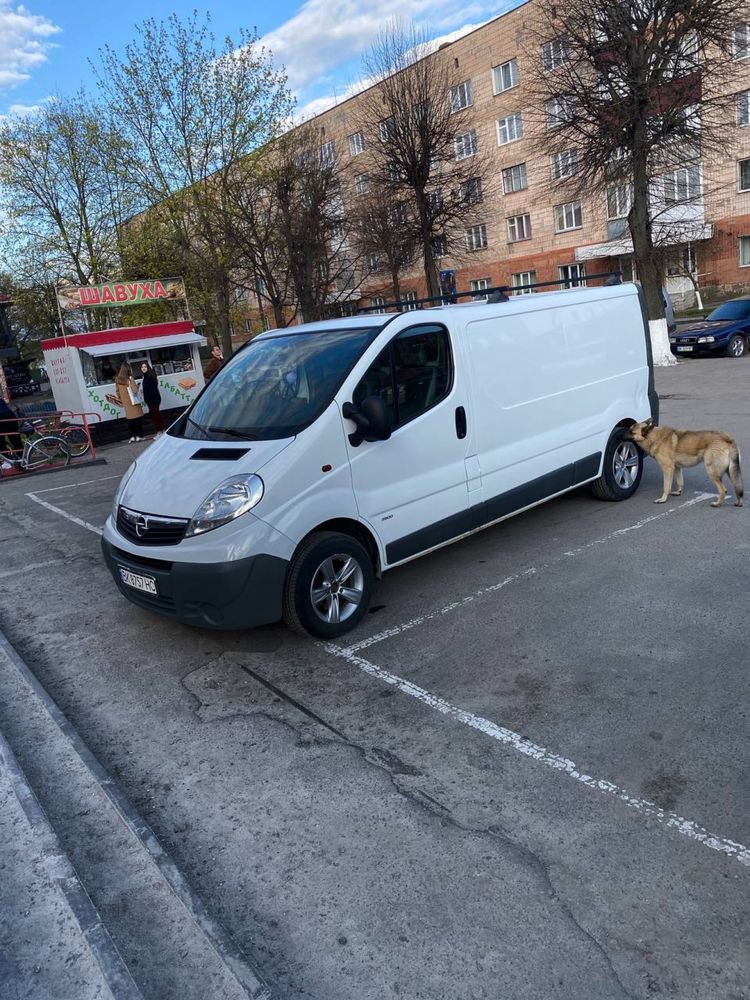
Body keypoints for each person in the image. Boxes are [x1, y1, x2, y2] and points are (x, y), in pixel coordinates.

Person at [115, 364, 144, 442]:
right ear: (128, 370)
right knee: (137, 420)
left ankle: (132, 437)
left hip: (126, 403)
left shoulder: (118, 380)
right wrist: (138, 388)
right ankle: (139, 436)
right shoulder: (130, 379)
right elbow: (134, 391)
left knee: (130, 420)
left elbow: (117, 392)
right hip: (133, 402)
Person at [140, 362, 164, 439]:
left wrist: (148, 398)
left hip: (153, 400)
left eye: (145, 367)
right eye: (142, 367)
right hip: (151, 400)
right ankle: (162, 430)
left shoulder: (150, 376)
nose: (143, 368)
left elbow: (152, 389)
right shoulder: (145, 376)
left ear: (148, 368)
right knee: (155, 415)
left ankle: (160, 431)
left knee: (155, 416)